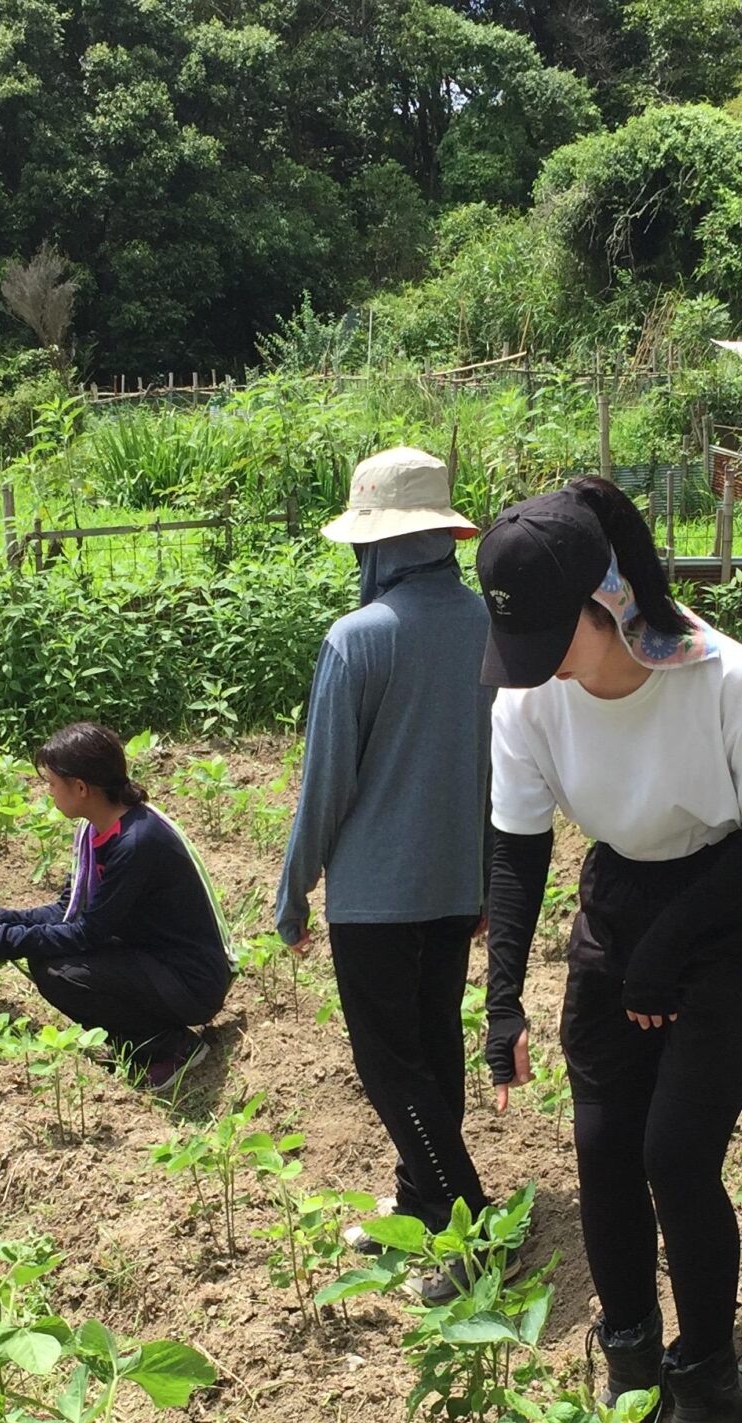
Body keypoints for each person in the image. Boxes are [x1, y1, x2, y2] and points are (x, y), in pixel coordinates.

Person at [480, 477, 742, 1423]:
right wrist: (503, 997)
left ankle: (713, 1383)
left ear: (609, 602)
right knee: (602, 1148)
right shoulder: (529, 696)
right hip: (625, 904)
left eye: (551, 638)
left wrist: (668, 952)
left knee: (674, 1154)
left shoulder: (724, 680)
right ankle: (632, 1360)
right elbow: (517, 849)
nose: (534, 666)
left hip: (735, 908)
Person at [273, 447, 495, 1250]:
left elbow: (326, 782)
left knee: (390, 1067)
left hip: (375, 895)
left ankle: (470, 1228)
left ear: (380, 545)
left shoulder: (357, 639)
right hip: (457, 881)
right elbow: (505, 769)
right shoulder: (489, 627)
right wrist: (489, 879)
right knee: (434, 1047)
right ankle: (419, 1205)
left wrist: (295, 889)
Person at [0, 722, 234, 1092]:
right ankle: (144, 1040)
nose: (48, 792)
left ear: (80, 787)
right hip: (153, 960)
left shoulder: (136, 843)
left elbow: (86, 933)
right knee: (52, 962)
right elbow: (67, 910)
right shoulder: (97, 831)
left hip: (189, 981)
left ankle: (171, 1048)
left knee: (60, 972)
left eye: (51, 783)